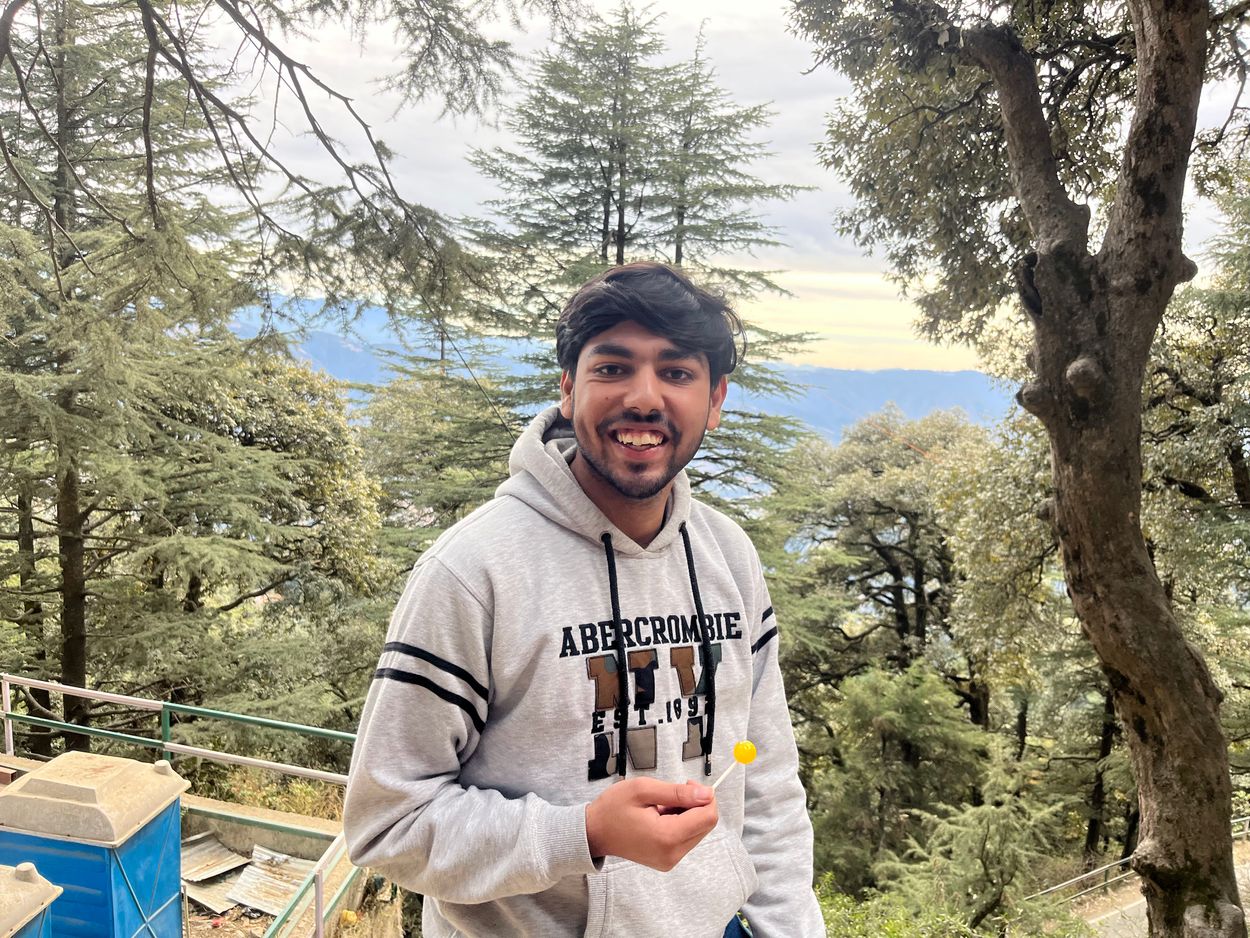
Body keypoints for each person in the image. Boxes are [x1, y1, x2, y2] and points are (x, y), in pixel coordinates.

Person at [343, 262, 825, 938]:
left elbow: (767, 780)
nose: (645, 398)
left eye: (677, 372)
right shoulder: (471, 571)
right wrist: (584, 833)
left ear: (715, 400)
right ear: (569, 389)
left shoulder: (729, 557)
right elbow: (387, 824)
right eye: (613, 368)